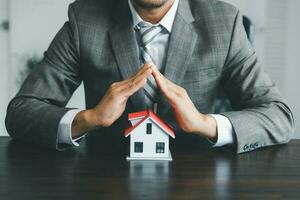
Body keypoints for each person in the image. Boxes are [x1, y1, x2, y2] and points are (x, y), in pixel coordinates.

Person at [5, 0, 294, 153]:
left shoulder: (225, 23)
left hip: (197, 177)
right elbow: (20, 113)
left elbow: (279, 116)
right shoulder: (84, 18)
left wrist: (205, 124)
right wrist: (90, 118)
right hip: (104, 178)